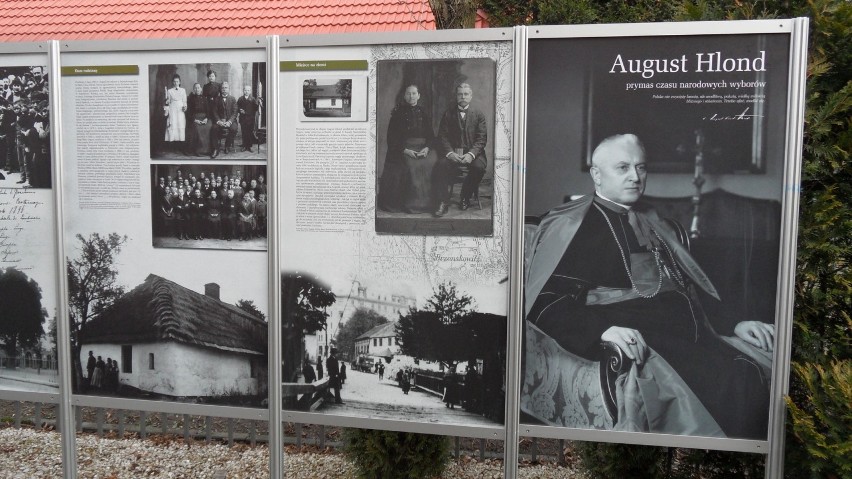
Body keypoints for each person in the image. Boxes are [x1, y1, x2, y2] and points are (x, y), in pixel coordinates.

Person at [525, 133, 774, 439]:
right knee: (733, 379)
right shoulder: (573, 228)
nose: (635, 177)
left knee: (753, 369)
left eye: (640, 167)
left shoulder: (661, 224)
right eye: (623, 168)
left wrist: (735, 322)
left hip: (688, 334)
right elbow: (544, 300)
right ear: (596, 175)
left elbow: (687, 288)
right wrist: (600, 330)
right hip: (647, 339)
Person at [432, 83, 488, 217]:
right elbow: (442, 137)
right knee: (440, 166)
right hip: (452, 153)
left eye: (466, 94)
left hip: (473, 153)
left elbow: (481, 139)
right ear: (456, 96)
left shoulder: (478, 114)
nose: (463, 97)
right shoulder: (448, 114)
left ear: (471, 96)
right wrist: (450, 153)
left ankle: (465, 196)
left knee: (479, 168)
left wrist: (471, 154)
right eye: (460, 94)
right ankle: (443, 201)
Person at [378, 84, 433, 213]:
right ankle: (407, 203)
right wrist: (405, 150)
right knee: (403, 168)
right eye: (408, 93)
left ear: (419, 96)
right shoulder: (397, 113)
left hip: (421, 148)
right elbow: (391, 138)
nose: (411, 96)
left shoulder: (424, 113)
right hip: (401, 149)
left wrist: (427, 148)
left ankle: (425, 202)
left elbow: (431, 135)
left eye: (414, 93)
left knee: (432, 163)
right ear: (404, 96)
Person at [212, 82, 238, 157]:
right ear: (220, 89)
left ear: (229, 89)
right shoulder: (216, 99)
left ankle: (227, 145)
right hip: (219, 120)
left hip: (230, 120)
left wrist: (229, 121)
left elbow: (235, 112)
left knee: (234, 129)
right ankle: (215, 149)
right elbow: (214, 112)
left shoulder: (233, 99)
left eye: (226, 88)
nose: (224, 89)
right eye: (223, 88)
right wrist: (219, 121)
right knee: (214, 128)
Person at [186, 82, 211, 156]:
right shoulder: (190, 99)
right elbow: (188, 112)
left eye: (198, 88)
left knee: (209, 126)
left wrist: (206, 118)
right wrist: (195, 120)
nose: (197, 89)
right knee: (197, 128)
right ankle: (198, 150)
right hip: (195, 118)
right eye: (195, 88)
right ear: (194, 89)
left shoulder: (204, 98)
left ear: (201, 89)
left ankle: (206, 150)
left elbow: (208, 111)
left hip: (204, 118)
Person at [164, 74, 187, 149]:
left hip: (180, 110)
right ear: (172, 82)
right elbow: (168, 102)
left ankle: (181, 144)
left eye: (177, 81)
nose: (175, 83)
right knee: (173, 124)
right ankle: (172, 145)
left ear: (179, 82)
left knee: (180, 124)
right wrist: (167, 101)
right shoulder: (169, 91)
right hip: (172, 109)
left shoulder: (183, 90)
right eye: (174, 81)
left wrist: (185, 107)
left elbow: (184, 101)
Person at [237, 85, 260, 152]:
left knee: (250, 132)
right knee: (244, 132)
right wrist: (240, 110)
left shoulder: (252, 99)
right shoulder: (240, 99)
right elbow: (237, 106)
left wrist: (257, 103)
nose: (246, 92)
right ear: (243, 91)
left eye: (248, 90)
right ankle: (244, 145)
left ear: (250, 91)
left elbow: (255, 108)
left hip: (250, 118)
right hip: (243, 118)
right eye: (245, 90)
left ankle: (249, 146)